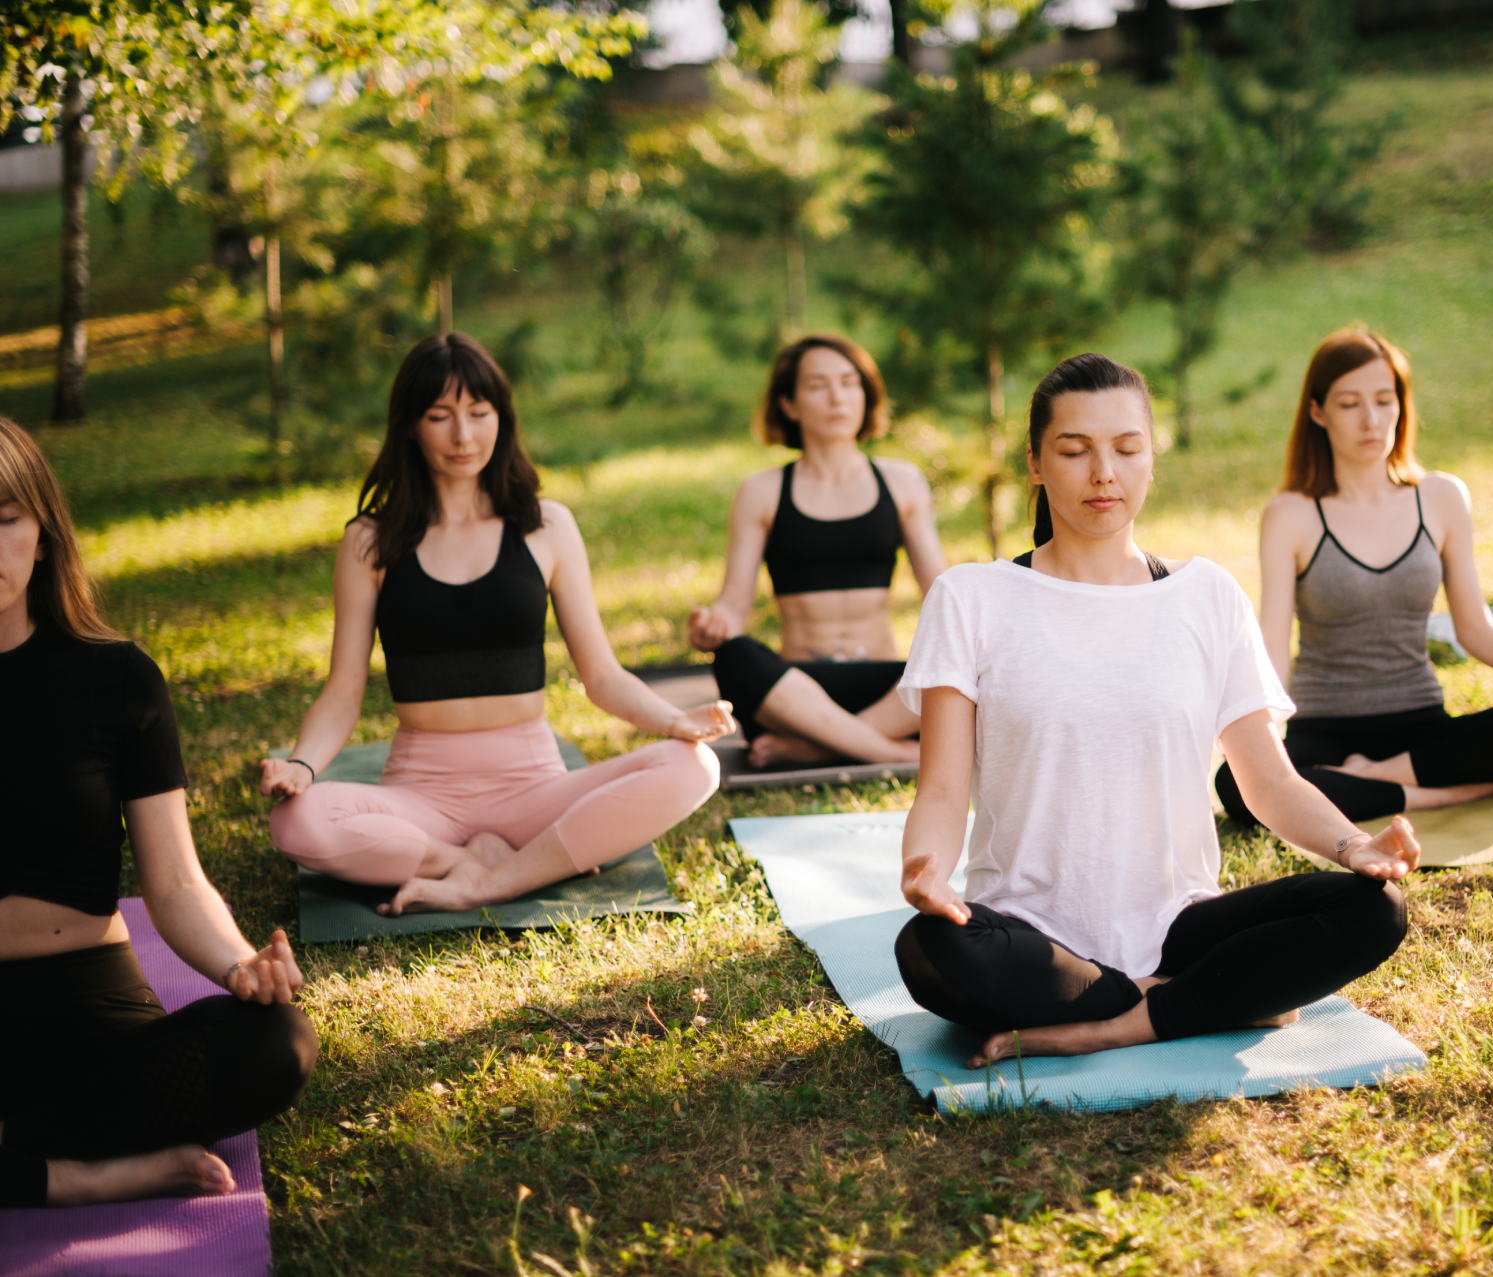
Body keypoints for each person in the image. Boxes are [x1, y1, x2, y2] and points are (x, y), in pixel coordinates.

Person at [891, 354, 1419, 1068]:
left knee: (1372, 908)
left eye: (1126, 449)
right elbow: (945, 789)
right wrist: (925, 868)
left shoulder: (1207, 596)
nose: (1102, 472)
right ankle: (1202, 997)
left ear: (1150, 458)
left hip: (1178, 925)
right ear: (1037, 465)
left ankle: (1116, 1022)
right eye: (1074, 451)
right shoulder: (971, 597)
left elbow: (1269, 782)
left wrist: (1354, 847)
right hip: (1032, 933)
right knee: (929, 947)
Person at [262, 333, 732, 914]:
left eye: (478, 414)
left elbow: (602, 676)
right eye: (440, 416)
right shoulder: (370, 541)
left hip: (532, 788)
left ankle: (494, 880)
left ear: (501, 419)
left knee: (693, 766)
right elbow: (342, 693)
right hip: (421, 793)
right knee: (296, 820)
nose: (464, 436)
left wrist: (674, 720)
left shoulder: (547, 527)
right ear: (410, 425)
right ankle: (459, 861)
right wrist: (302, 765)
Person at [0, 417, 316, 1210]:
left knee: (279, 1043)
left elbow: (174, 883)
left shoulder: (118, 679)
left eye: (2, 522)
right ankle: (73, 1175)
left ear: (42, 536)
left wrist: (240, 965)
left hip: (87, 1002)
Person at [1215, 327, 1493, 828]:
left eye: (1385, 400)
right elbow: (1271, 648)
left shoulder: (1442, 498)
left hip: (1421, 729)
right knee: (1236, 784)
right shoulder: (1291, 515)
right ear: (1317, 412)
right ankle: (1446, 794)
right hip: (1324, 732)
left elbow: (1475, 628)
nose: (1371, 419)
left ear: (1401, 407)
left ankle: (1379, 777)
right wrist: (1263, 736)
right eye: (1349, 404)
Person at [688, 335, 947, 769]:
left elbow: (940, 592)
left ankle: (816, 748)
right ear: (788, 404)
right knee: (735, 657)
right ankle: (889, 752)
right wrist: (712, 626)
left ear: (866, 396)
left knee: (962, 663)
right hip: (796, 694)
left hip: (888, 690)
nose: (837, 397)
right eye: (817, 385)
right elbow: (733, 604)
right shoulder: (762, 491)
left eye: (849, 383)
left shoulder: (902, 482)